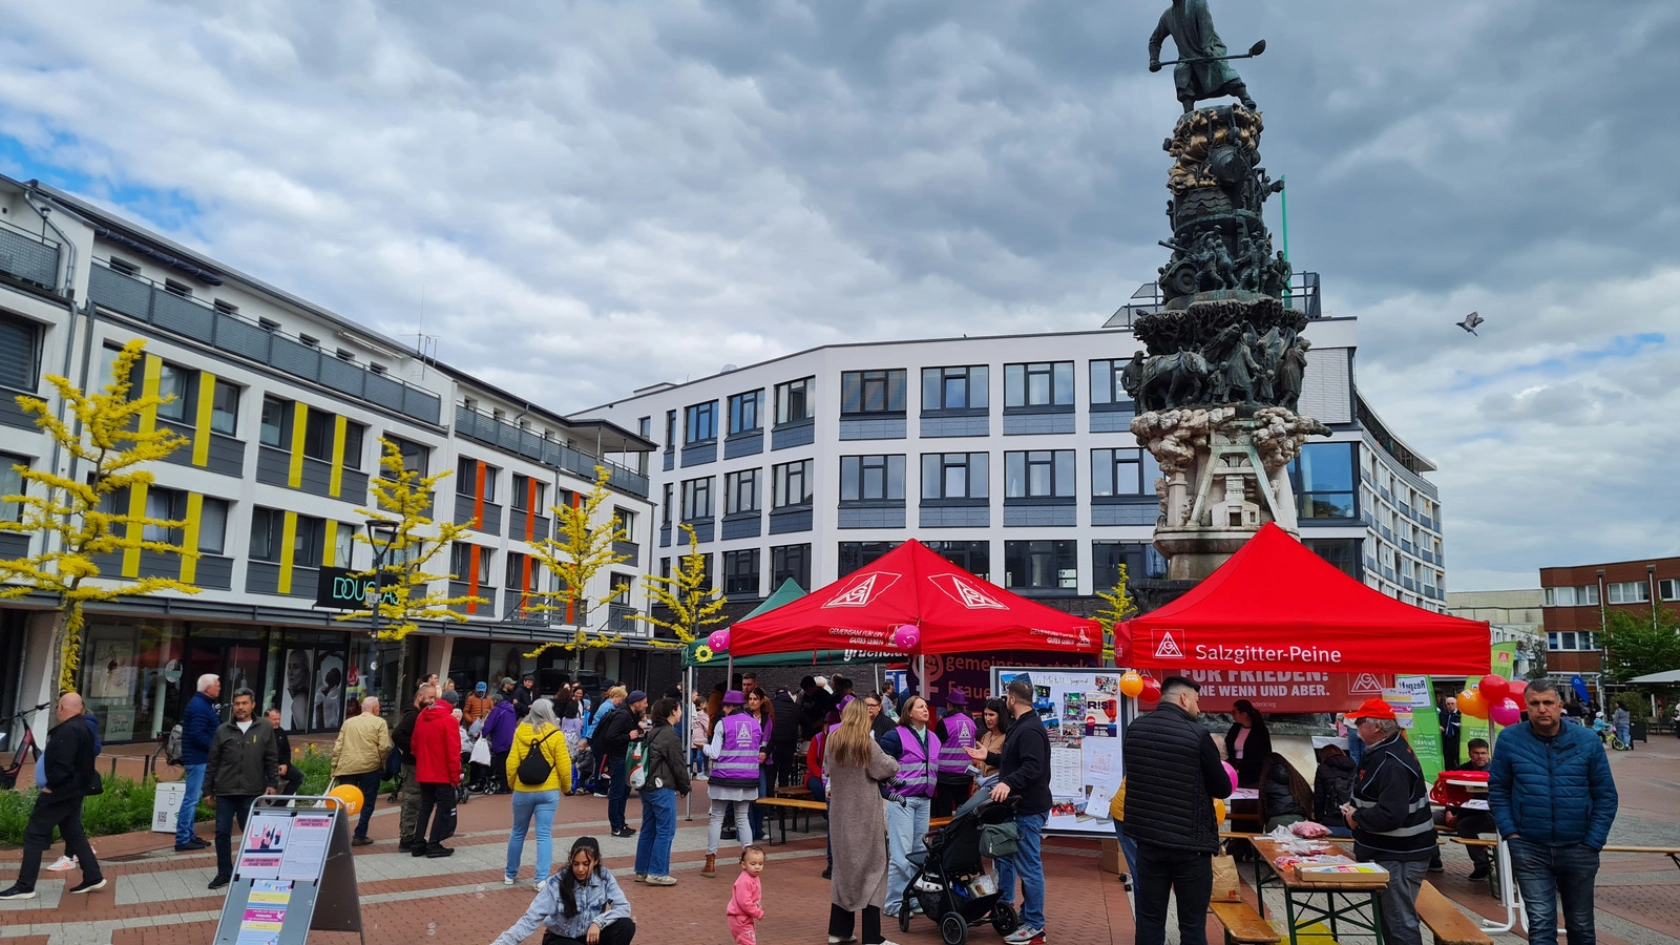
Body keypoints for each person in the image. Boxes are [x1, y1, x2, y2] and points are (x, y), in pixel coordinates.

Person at [1488, 678, 1618, 945]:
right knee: (1540, 924)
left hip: (1578, 847)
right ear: (1526, 707)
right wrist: (1512, 834)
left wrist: (1592, 842)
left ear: (1560, 706)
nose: (1542, 709)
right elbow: (1498, 790)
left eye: (1548, 703)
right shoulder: (1510, 739)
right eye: (1534, 703)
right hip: (1530, 846)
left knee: (1581, 925)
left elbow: (1606, 795)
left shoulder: (1586, 740)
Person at [1121, 676, 1232, 945]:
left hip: (1149, 842)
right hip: (1190, 846)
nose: (1199, 708)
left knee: (1149, 918)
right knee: (1192, 924)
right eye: (1196, 700)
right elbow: (1223, 788)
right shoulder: (1198, 735)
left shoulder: (1135, 729)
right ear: (1184, 698)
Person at [965, 677, 1053, 945]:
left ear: (1012, 699)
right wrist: (988, 758)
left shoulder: (1028, 730)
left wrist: (1007, 782)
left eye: (1005, 698)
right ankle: (1026, 916)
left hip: (1028, 807)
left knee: (1029, 866)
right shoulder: (1022, 726)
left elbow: (1032, 766)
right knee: (1017, 862)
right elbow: (1012, 759)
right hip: (1020, 806)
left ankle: (1035, 925)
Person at [1341, 698, 1433, 945]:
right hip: (1391, 851)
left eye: (1360, 722)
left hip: (1400, 854)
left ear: (1377, 727)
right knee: (1392, 921)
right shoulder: (1384, 751)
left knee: (1399, 923)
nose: (1356, 727)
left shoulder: (1391, 761)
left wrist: (1356, 818)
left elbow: (1392, 814)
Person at [0, 694, 106, 901]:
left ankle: (25, 885)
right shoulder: (85, 728)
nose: (57, 711)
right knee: (73, 832)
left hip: (59, 793)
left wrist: (52, 786)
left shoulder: (67, 731)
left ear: (62, 709)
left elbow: (62, 764)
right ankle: (93, 876)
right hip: (76, 790)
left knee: (34, 834)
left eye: (58, 707)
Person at [826, 697, 901, 945]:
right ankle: (873, 937)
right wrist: (894, 759)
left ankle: (839, 931)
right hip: (865, 816)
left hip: (839, 816)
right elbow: (886, 769)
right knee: (874, 871)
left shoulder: (832, 740)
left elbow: (827, 770)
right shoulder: (866, 744)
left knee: (844, 871)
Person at [489, 836, 637, 945]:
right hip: (561, 940)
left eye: (586, 864)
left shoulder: (604, 877)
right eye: (576, 864)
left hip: (590, 937)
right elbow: (529, 920)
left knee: (625, 926)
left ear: (596, 861)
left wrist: (598, 922)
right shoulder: (556, 883)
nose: (580, 869)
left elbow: (623, 907)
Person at [206, 688, 279, 890]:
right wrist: (207, 790)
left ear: (253, 705)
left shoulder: (264, 727)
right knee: (222, 833)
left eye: (244, 703)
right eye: (237, 703)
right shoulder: (223, 730)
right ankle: (224, 873)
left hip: (252, 791)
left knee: (254, 834)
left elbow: (271, 757)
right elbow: (212, 762)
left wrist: (272, 783)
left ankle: (253, 871)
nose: (240, 707)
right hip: (225, 791)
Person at [878, 694, 940, 917]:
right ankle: (894, 903)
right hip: (903, 801)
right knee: (901, 854)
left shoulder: (934, 738)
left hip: (924, 801)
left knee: (918, 853)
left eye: (926, 706)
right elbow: (880, 765)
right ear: (909, 712)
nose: (925, 710)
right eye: (920, 707)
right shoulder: (895, 737)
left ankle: (911, 898)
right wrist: (887, 792)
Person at [504, 698, 572, 885]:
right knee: (544, 834)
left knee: (517, 832)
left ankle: (510, 874)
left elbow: (511, 763)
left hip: (523, 790)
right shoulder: (556, 734)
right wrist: (566, 788)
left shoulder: (519, 732)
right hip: (548, 791)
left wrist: (513, 784)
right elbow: (564, 766)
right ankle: (541, 879)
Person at [702, 690, 760, 878]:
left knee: (717, 818)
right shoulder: (755, 724)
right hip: (748, 778)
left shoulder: (723, 724)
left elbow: (715, 753)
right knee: (742, 819)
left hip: (724, 778)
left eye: (725, 706)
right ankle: (751, 862)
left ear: (731, 706)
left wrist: (702, 746)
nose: (724, 709)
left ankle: (710, 862)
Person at [634, 697, 690, 886]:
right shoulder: (670, 735)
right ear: (673, 711)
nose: (681, 712)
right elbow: (678, 765)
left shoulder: (653, 732)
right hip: (662, 786)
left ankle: (642, 869)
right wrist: (685, 787)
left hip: (646, 785)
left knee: (649, 829)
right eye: (680, 709)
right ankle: (658, 872)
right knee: (665, 830)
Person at [1430, 738, 1495, 878]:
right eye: (1476, 753)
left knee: (1465, 825)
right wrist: (1448, 811)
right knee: (1426, 819)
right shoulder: (1461, 769)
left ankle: (1482, 865)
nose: (1480, 756)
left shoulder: (1495, 772)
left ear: (1488, 753)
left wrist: (1457, 816)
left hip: (1488, 814)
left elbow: (1482, 803)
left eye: (1483, 753)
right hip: (1457, 811)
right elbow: (1450, 794)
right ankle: (1434, 860)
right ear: (1470, 753)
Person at [330, 696, 390, 845]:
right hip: (370, 767)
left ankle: (339, 835)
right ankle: (360, 834)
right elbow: (384, 747)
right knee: (368, 802)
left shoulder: (348, 723)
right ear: (376, 709)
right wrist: (381, 762)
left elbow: (338, 747)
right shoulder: (380, 723)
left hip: (347, 767)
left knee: (343, 802)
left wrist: (334, 768)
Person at [412, 686, 462, 858]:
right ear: (454, 704)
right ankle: (434, 843)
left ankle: (418, 843)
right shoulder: (449, 720)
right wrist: (455, 776)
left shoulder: (421, 716)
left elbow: (415, 745)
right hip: (442, 773)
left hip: (424, 770)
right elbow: (453, 752)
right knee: (443, 807)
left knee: (425, 806)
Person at [175, 673, 219, 852]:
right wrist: (215, 748)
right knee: (191, 799)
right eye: (217, 685)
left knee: (192, 799)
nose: (219, 687)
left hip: (198, 757)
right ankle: (183, 839)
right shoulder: (201, 706)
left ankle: (189, 835)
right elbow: (197, 734)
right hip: (198, 758)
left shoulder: (201, 704)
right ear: (208, 688)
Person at [596, 689, 647, 837]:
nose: (646, 705)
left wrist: (637, 735)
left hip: (625, 756)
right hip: (618, 757)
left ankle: (621, 822)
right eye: (644, 702)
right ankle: (616, 826)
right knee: (617, 792)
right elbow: (610, 737)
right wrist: (628, 736)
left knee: (624, 791)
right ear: (636, 703)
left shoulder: (631, 715)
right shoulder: (623, 715)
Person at [393, 684, 435, 849]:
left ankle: (410, 834)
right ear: (420, 697)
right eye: (430, 697)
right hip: (412, 764)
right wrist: (414, 749)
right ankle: (407, 838)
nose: (433, 701)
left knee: (415, 799)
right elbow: (397, 734)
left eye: (434, 697)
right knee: (412, 799)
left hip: (415, 763)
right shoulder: (413, 716)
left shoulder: (418, 714)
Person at [932, 691, 978, 818]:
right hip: (965, 775)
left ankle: (943, 835)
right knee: (962, 809)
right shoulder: (971, 723)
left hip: (945, 776)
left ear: (949, 705)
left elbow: (934, 746)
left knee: (944, 810)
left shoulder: (944, 723)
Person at [744, 689, 775, 840]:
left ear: (761, 701)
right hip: (747, 762)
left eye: (755, 699)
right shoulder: (744, 717)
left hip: (762, 761)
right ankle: (750, 830)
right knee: (748, 797)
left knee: (761, 796)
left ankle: (759, 829)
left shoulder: (767, 717)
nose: (752, 702)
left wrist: (766, 753)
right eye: (750, 699)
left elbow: (773, 738)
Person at [1311, 745, 1357, 839]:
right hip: (1353, 824)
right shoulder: (1355, 767)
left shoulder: (1323, 768)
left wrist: (1319, 820)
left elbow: (1319, 798)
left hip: (1330, 825)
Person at [1258, 752, 1313, 831]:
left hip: (1276, 821)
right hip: (1299, 820)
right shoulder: (1296, 778)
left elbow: (1264, 805)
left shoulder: (1266, 781)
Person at [1223, 699, 1270, 788]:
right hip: (1235, 768)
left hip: (1252, 773)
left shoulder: (1260, 731)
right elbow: (1229, 746)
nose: (1232, 715)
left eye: (1234, 712)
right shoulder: (1235, 728)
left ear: (1243, 714)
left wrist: (1241, 769)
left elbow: (1259, 755)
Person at [482, 689, 520, 795]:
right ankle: (510, 785)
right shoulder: (511, 710)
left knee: (501, 764)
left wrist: (483, 734)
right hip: (511, 739)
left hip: (500, 740)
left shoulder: (496, 710)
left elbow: (489, 725)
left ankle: (504, 787)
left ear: (494, 701)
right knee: (509, 764)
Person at [727, 846, 767, 945]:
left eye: (760, 864)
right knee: (748, 942)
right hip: (739, 918)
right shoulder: (745, 881)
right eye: (753, 864)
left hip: (745, 917)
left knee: (748, 941)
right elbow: (745, 902)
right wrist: (757, 912)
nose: (757, 867)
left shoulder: (754, 876)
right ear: (744, 865)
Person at [266, 707, 305, 796]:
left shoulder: (281, 732)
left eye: (279, 719)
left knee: (299, 776)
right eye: (274, 719)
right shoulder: (262, 733)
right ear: (266, 719)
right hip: (267, 767)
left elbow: (287, 751)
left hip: (281, 765)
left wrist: (285, 764)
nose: (277, 722)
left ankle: (281, 802)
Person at [769, 686, 800, 788]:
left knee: (771, 775)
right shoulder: (796, 707)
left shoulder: (771, 705)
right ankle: (783, 800)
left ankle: (769, 800)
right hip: (789, 745)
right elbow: (807, 724)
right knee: (784, 776)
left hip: (773, 745)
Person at [975, 698, 1010, 779]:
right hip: (981, 786)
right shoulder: (986, 736)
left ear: (1000, 716)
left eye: (991, 715)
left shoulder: (1008, 737)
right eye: (985, 714)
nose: (987, 718)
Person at [691, 693, 711, 779]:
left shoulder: (693, 713)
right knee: (700, 755)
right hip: (701, 737)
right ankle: (700, 772)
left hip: (693, 736)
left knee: (692, 755)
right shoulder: (703, 715)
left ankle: (690, 772)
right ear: (702, 704)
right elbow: (707, 726)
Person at [1439, 696, 1462, 769]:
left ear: (1456, 704)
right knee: (1447, 759)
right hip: (1446, 739)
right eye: (1448, 704)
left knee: (1457, 758)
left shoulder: (1461, 714)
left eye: (1452, 703)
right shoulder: (1443, 714)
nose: (1450, 705)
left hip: (1457, 739)